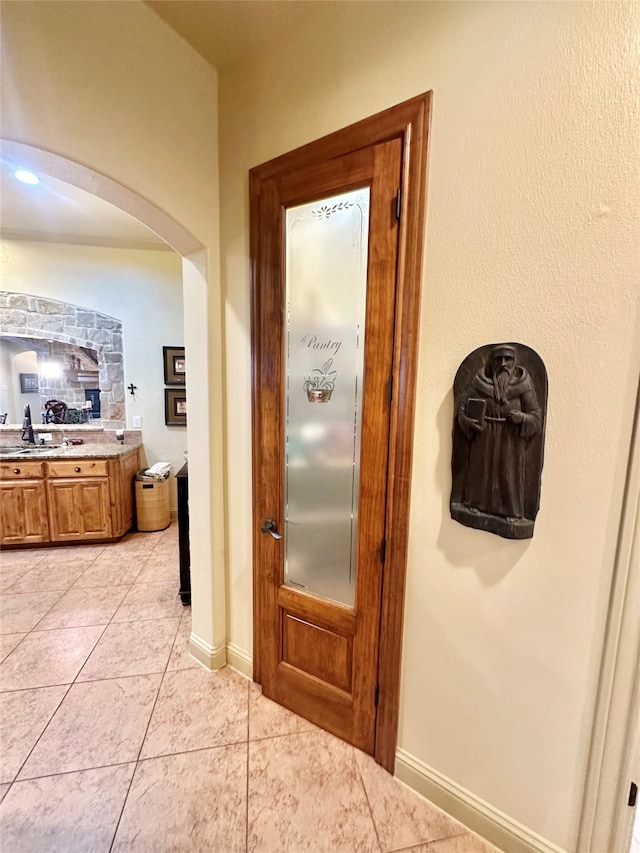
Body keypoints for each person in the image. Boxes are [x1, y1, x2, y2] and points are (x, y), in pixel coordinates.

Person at [456, 344, 541, 523]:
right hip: (484, 438)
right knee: (482, 471)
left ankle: (511, 511)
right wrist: (468, 422)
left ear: (514, 362)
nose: (503, 364)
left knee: (508, 475)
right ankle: (474, 504)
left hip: (510, 440)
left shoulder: (523, 385)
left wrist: (522, 418)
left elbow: (535, 417)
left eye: (507, 359)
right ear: (492, 363)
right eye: (498, 359)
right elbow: (462, 411)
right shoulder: (480, 382)